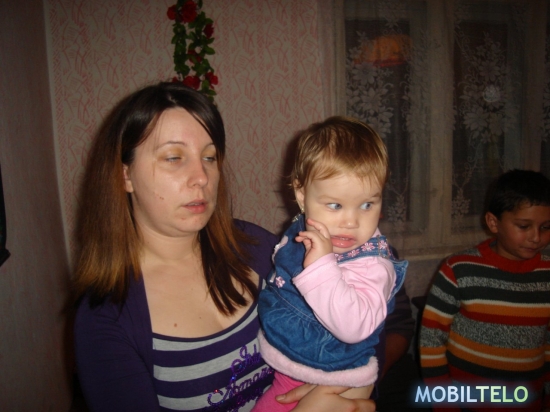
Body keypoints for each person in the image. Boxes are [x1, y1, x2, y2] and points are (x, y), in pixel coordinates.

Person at [73, 82, 376, 412]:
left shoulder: (260, 248)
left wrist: (347, 393)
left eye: (209, 156)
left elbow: (371, 319)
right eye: (174, 158)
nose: (201, 176)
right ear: (125, 175)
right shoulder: (104, 320)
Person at [252, 116, 408, 411]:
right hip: (290, 364)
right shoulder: (306, 226)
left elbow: (354, 328)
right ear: (301, 195)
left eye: (367, 205)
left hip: (334, 378)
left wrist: (321, 266)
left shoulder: (374, 265)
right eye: (335, 205)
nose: (351, 221)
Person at [419, 169, 550, 412]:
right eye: (524, 226)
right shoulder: (459, 269)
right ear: (493, 223)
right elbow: (431, 340)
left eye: (546, 227)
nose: (536, 237)